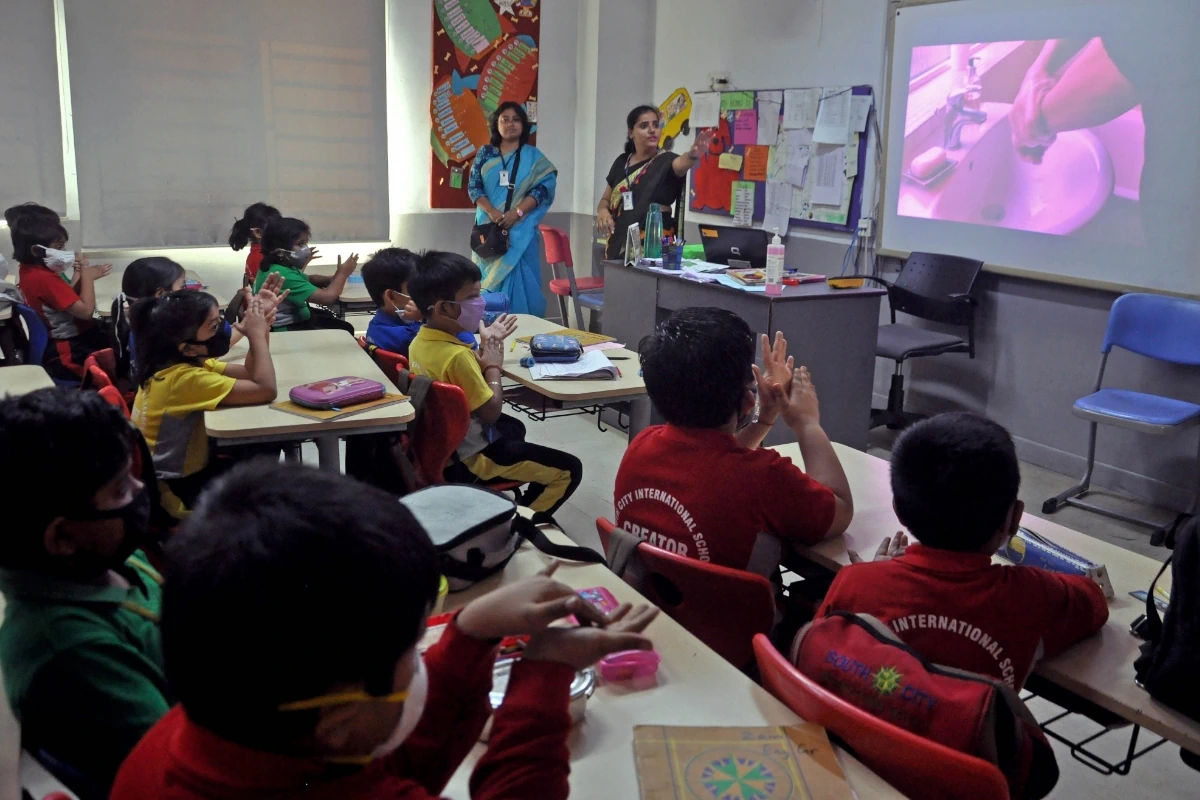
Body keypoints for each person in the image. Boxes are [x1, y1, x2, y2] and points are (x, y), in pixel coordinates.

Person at [111, 460, 658, 799]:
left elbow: (377, 765)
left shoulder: (206, 728)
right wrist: (544, 676)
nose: (423, 655)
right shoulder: (331, 754)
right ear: (338, 719)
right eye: (411, 648)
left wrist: (468, 636)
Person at [813, 412, 1109, 690]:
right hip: (968, 745)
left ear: (898, 511)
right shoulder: (1033, 596)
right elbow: (1094, 600)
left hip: (858, 741)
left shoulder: (856, 583)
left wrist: (877, 572)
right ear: (1015, 518)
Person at [0, 388, 168, 792]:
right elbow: (172, 766)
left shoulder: (109, 560)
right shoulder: (71, 649)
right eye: (120, 490)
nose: (140, 490)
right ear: (63, 537)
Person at [614, 307, 853, 577]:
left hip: (651, 610)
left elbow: (715, 465)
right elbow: (841, 510)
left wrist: (765, 419)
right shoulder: (764, 477)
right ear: (748, 401)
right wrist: (806, 423)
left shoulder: (640, 446)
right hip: (729, 619)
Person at [408, 251, 579, 514]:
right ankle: (517, 526)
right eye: (472, 297)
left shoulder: (421, 342)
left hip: (440, 450)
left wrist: (485, 347)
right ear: (443, 308)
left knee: (514, 428)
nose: (481, 303)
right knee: (568, 469)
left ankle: (516, 510)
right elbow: (490, 412)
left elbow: (457, 368)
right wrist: (493, 365)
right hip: (472, 458)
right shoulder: (457, 357)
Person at [130, 291, 280, 518]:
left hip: (180, 475)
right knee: (265, 463)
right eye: (214, 327)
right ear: (188, 348)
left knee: (262, 449)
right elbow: (265, 389)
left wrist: (261, 328)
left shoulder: (178, 364)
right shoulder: (184, 380)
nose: (222, 330)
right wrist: (256, 336)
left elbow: (250, 374)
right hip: (176, 489)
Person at [468, 101, 557, 316]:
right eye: (504, 119)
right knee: (485, 283)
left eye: (516, 119)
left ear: (523, 125)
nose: (510, 124)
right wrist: (492, 212)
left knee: (523, 283)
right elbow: (474, 187)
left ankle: (524, 329)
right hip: (488, 230)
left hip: (521, 231)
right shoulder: (485, 153)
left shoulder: (533, 157)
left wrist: (517, 213)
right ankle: (488, 330)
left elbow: (543, 188)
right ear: (496, 125)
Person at [595, 105, 713, 260]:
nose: (652, 130)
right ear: (631, 133)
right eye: (644, 126)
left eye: (656, 125)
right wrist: (603, 211)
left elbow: (682, 163)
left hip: (654, 246)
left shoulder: (667, 161)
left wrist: (692, 155)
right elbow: (605, 200)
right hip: (619, 241)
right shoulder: (622, 162)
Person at [11, 211, 113, 381]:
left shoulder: (30, 270)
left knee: (110, 329)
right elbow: (86, 312)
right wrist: (87, 276)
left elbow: (65, 296)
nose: (65, 252)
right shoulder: (44, 278)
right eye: (58, 247)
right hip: (69, 351)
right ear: (36, 251)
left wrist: (81, 272)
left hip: (71, 338)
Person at [362, 247, 475, 355]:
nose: (424, 293)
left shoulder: (377, 326)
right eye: (416, 288)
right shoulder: (408, 337)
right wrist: (431, 315)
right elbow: (469, 343)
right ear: (392, 296)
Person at [253, 216, 357, 334]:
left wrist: (333, 279)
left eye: (306, 243)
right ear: (280, 251)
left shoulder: (279, 265)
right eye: (300, 244)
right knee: (345, 330)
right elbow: (328, 297)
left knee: (342, 325)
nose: (306, 249)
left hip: (299, 321)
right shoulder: (281, 274)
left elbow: (309, 279)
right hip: (288, 330)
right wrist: (343, 274)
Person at [110, 256, 187, 382]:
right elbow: (199, 356)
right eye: (182, 287)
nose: (184, 293)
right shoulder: (162, 331)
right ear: (161, 293)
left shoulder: (134, 320)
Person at [228, 202, 282, 284]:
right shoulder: (262, 258)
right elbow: (290, 285)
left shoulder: (256, 255)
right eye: (277, 229)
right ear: (257, 233)